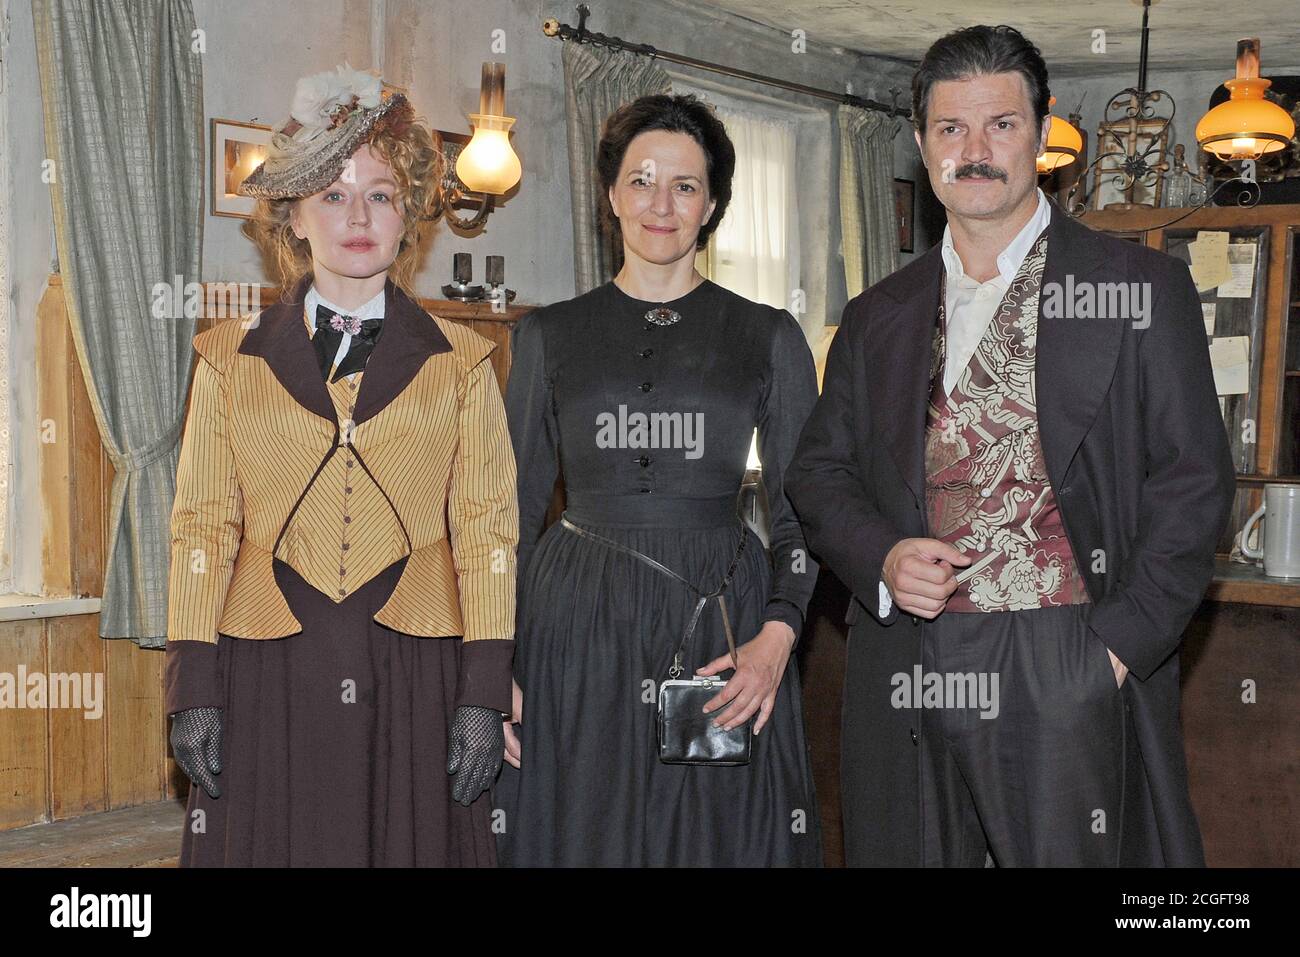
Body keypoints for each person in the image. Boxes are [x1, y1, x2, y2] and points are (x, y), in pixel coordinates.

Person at [786, 26, 1235, 867]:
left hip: (1066, 651)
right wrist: (880, 555)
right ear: (922, 145)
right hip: (910, 657)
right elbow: (818, 471)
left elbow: (1195, 481)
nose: (976, 150)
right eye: (952, 129)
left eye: (1001, 124)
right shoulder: (877, 312)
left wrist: (1114, 648)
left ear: (1043, 133)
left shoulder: (1139, 289)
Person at [165, 64, 518, 866]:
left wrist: (483, 689)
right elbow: (202, 526)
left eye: (381, 194)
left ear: (408, 218)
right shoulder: (227, 361)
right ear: (292, 216)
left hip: (414, 665)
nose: (357, 215)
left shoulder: (465, 363)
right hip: (267, 662)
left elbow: (488, 530)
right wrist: (192, 685)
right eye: (333, 193)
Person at [495, 93, 822, 866]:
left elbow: (804, 514)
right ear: (610, 196)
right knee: (584, 829)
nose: (661, 204)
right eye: (640, 180)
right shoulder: (546, 335)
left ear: (712, 205)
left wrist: (778, 637)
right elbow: (504, 514)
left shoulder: (769, 335)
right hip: (574, 624)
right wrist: (494, 661)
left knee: (710, 838)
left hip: (718, 625)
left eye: (684, 185)